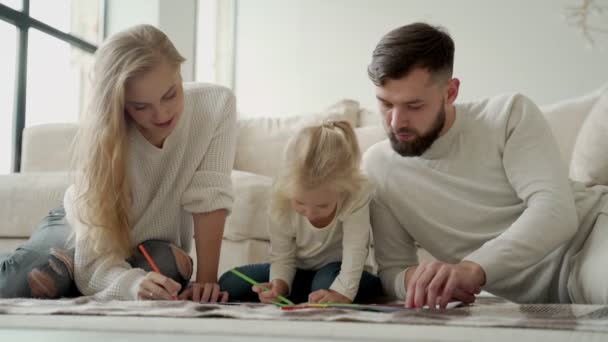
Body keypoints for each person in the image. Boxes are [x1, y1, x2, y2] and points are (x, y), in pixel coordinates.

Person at [363, 22, 608, 308]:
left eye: (414, 106)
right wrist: (424, 281)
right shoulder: (378, 167)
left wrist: (471, 268)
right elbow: (393, 270)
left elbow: (556, 211)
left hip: (590, 237)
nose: (395, 122)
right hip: (542, 298)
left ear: (450, 92)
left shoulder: (507, 115)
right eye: (385, 104)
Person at [0, 24, 237, 302]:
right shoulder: (105, 136)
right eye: (140, 106)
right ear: (121, 103)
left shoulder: (216, 105)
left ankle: (78, 286)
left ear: (180, 71)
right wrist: (132, 285)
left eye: (170, 94)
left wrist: (206, 283)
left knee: (169, 270)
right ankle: (65, 277)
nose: (161, 114)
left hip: (149, 244)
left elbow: (209, 198)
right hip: (80, 231)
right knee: (33, 279)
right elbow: (92, 264)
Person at [219, 121, 382, 304]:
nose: (310, 213)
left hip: (341, 272)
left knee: (325, 282)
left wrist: (342, 293)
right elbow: (282, 256)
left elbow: (355, 250)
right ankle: (311, 293)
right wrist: (279, 285)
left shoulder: (355, 195)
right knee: (229, 282)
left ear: (343, 190)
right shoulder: (281, 196)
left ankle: (321, 292)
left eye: (322, 206)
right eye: (300, 203)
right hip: (300, 272)